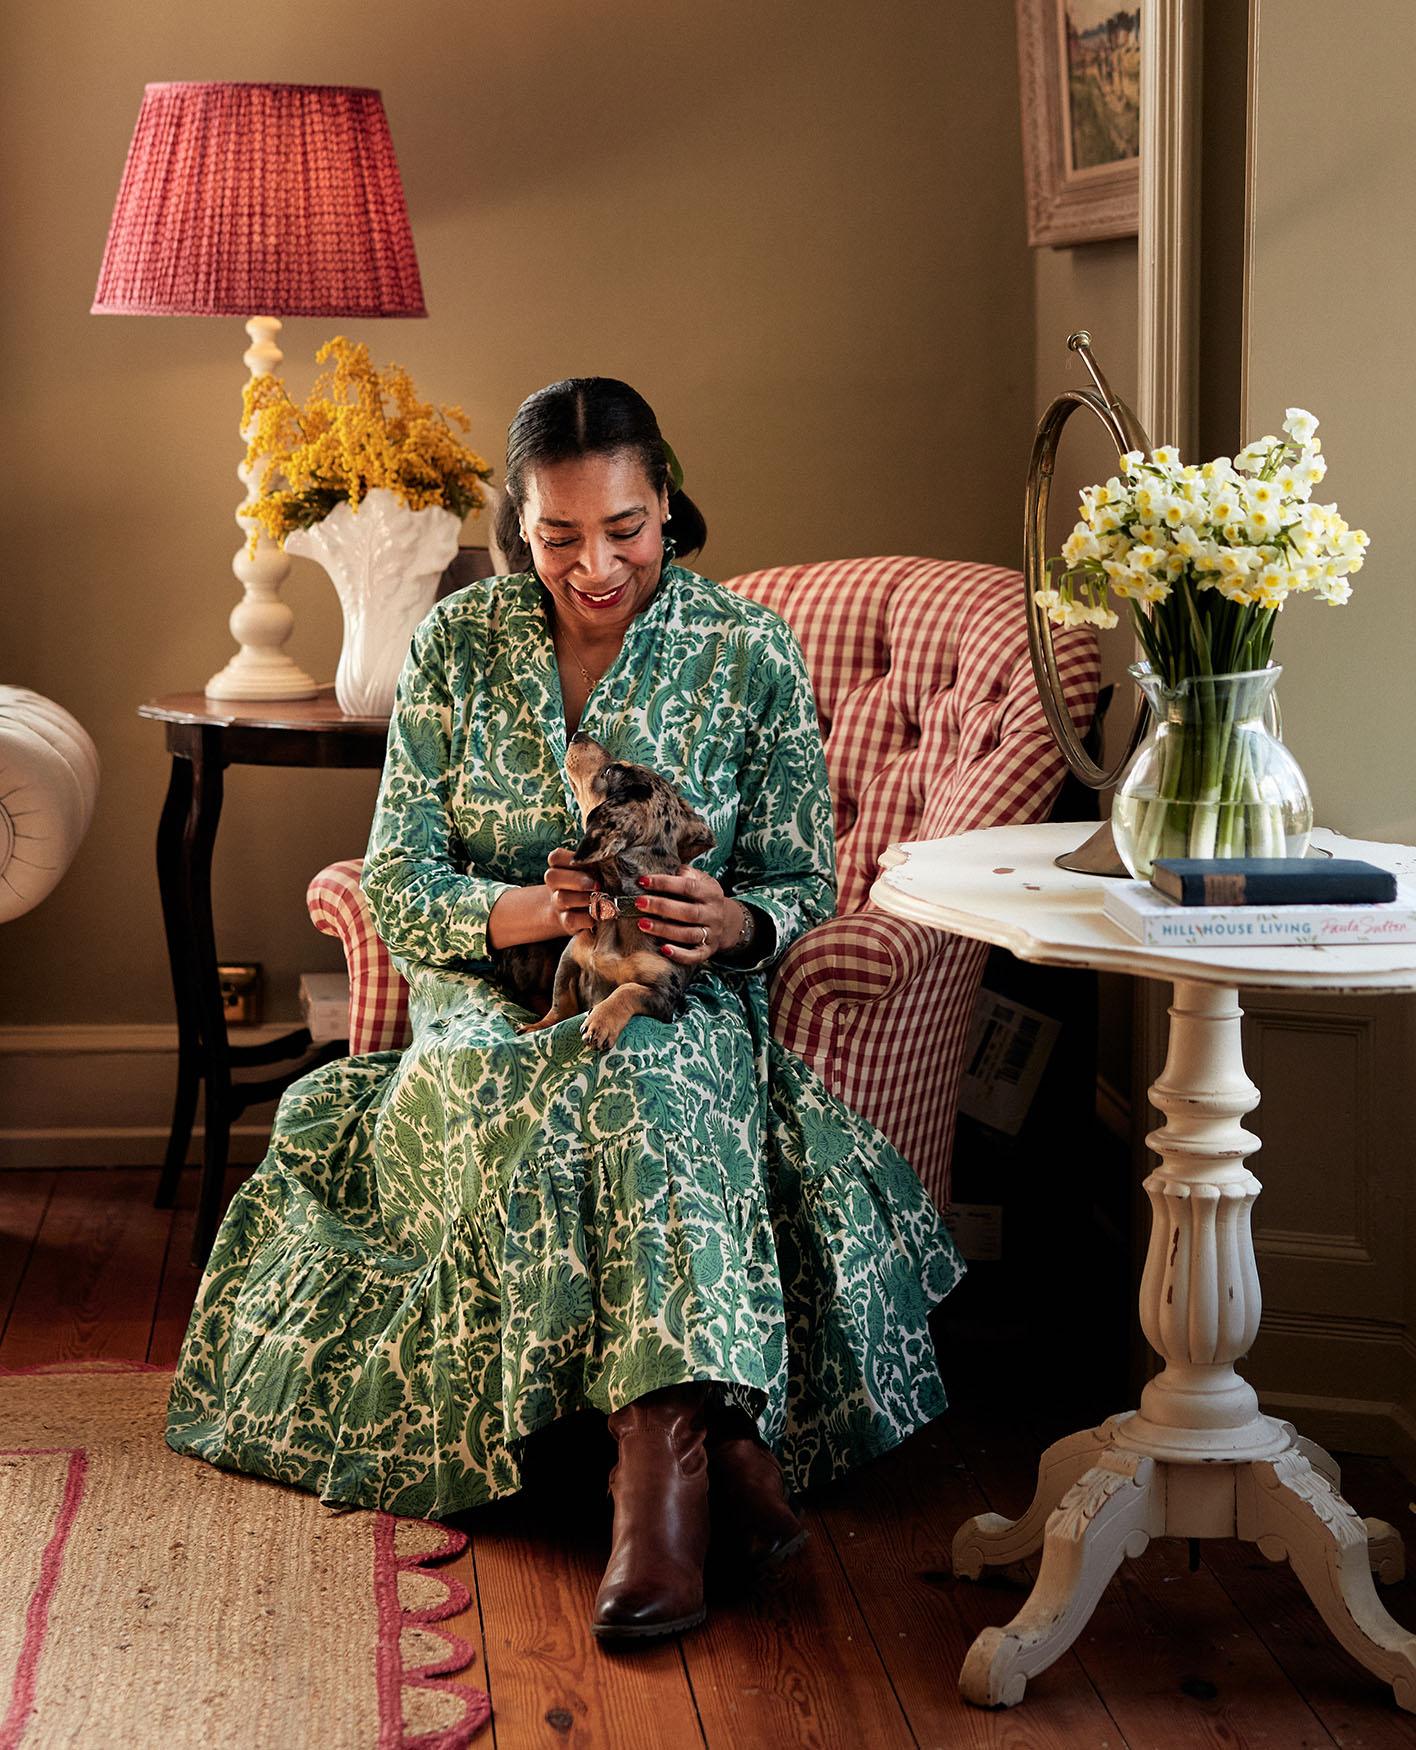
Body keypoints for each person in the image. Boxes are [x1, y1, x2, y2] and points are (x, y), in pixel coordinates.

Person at [166, 377, 964, 1640]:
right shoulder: (457, 642)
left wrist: (737, 922)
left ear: (670, 505)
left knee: (648, 1083)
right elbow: (402, 880)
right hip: (488, 984)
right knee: (499, 1082)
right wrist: (538, 912)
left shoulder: (747, 647)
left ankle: (656, 1484)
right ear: (515, 528)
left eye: (627, 529)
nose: (595, 565)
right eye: (558, 536)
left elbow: (805, 881)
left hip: (675, 990)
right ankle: (719, 1448)